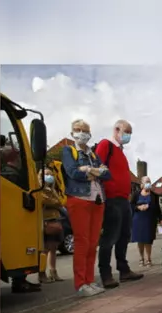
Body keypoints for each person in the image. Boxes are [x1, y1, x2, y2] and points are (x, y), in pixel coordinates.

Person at [61, 119, 111, 297]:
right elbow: (73, 172)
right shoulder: (69, 150)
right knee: (82, 241)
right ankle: (81, 283)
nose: (82, 132)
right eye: (78, 129)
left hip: (97, 200)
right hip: (79, 199)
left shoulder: (93, 154)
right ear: (72, 132)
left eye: (85, 130)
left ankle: (90, 280)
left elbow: (107, 174)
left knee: (92, 242)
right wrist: (96, 171)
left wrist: (89, 170)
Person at [95, 119, 144, 288]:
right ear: (117, 130)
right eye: (127, 132)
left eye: (130, 133)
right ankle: (106, 274)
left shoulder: (120, 152)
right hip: (111, 198)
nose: (128, 136)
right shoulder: (105, 145)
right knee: (110, 237)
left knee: (124, 235)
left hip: (124, 199)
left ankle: (124, 270)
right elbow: (97, 168)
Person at [39, 166, 65, 283]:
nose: (49, 176)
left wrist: (56, 202)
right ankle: (41, 273)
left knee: (53, 248)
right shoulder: (40, 189)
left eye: (50, 174)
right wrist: (56, 202)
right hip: (46, 221)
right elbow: (46, 201)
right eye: (46, 174)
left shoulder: (53, 190)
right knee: (45, 249)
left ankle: (53, 272)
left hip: (55, 220)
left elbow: (60, 201)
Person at [131, 175, 161, 266]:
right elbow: (131, 205)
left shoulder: (154, 195)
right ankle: (141, 258)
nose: (148, 184)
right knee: (140, 240)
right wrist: (138, 207)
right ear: (142, 184)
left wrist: (160, 218)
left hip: (149, 220)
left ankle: (148, 258)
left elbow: (157, 208)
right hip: (138, 219)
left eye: (149, 182)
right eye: (146, 182)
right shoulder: (136, 194)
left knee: (148, 240)